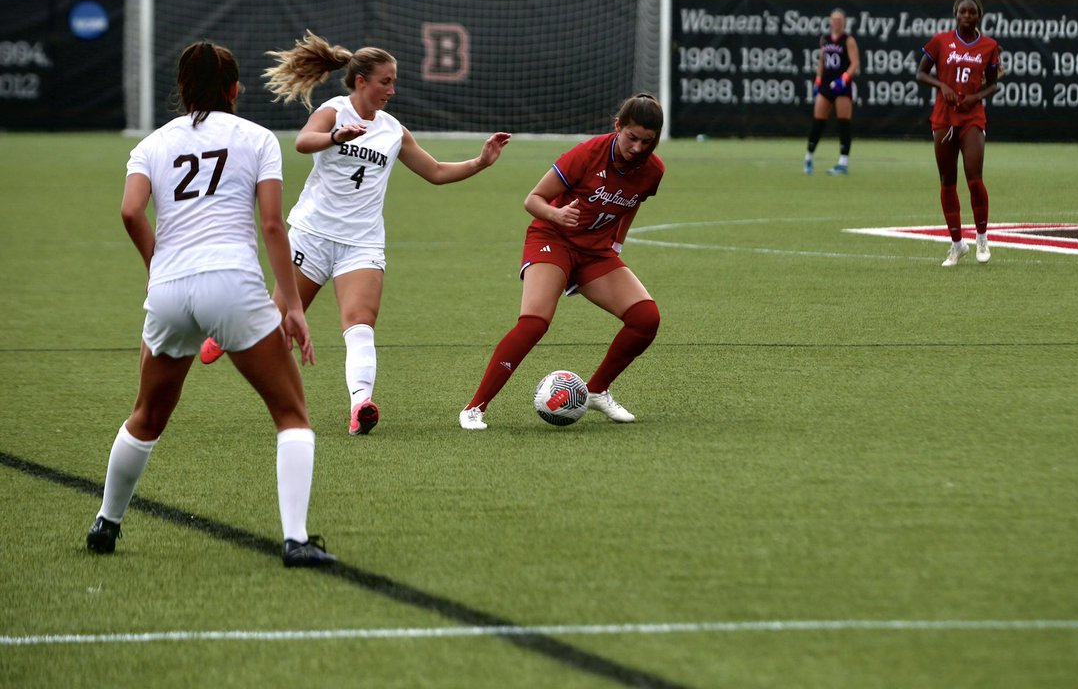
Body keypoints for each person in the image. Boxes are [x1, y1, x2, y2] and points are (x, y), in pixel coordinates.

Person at [86, 41, 334, 568]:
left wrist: (158, 266)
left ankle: (106, 522)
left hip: (169, 288)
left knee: (147, 415)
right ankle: (295, 540)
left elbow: (130, 212)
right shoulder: (257, 138)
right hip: (231, 282)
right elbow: (272, 226)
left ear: (181, 88)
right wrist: (291, 303)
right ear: (234, 89)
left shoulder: (152, 144)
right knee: (291, 412)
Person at [200, 31, 511, 435]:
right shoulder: (334, 110)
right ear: (361, 81)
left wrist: (480, 162)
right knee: (275, 326)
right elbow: (303, 142)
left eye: (394, 82)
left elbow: (434, 172)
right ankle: (230, 330)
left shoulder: (393, 130)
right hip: (312, 235)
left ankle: (361, 404)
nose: (392, 90)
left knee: (360, 322)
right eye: (385, 81)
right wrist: (335, 136)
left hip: (361, 243)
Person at [459, 94, 665, 430]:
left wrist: (616, 243)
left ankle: (596, 390)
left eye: (648, 141)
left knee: (646, 318)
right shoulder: (587, 153)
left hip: (595, 252)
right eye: (632, 137)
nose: (638, 147)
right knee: (534, 323)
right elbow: (533, 200)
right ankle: (474, 408)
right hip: (552, 239)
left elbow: (633, 201)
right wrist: (557, 215)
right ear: (617, 126)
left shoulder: (653, 169)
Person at [916, 0, 1001, 267]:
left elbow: (993, 83)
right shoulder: (941, 41)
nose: (966, 16)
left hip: (972, 116)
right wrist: (942, 85)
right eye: (962, 11)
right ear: (955, 14)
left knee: (974, 179)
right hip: (943, 116)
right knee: (947, 180)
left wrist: (977, 97)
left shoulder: (989, 46)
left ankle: (982, 238)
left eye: (971, 12)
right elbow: (920, 73)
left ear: (979, 16)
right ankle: (956, 244)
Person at [803, 8, 860, 176]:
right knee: (818, 121)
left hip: (842, 86)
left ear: (844, 22)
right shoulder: (825, 39)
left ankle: (843, 163)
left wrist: (844, 79)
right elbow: (822, 60)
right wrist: (818, 79)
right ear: (829, 21)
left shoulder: (848, 40)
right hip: (827, 84)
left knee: (843, 122)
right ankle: (808, 157)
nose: (836, 22)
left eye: (839, 20)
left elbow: (855, 63)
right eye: (834, 19)